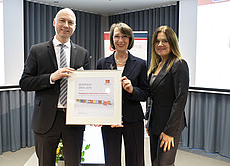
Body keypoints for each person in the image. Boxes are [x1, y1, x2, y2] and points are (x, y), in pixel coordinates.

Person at [19, 8, 89, 166]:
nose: (66, 25)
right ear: (54, 23)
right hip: (45, 119)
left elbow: (86, 86)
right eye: (62, 21)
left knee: (73, 163)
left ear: (75, 26)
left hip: (74, 119)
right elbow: (24, 82)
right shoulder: (37, 50)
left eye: (70, 22)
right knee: (45, 163)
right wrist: (51, 77)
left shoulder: (82, 53)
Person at [97, 22, 148, 166]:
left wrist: (132, 90)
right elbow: (99, 93)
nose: (120, 40)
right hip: (110, 120)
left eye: (125, 36)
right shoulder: (102, 63)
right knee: (111, 159)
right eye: (117, 36)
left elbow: (145, 93)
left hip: (133, 119)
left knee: (135, 159)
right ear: (112, 39)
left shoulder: (140, 64)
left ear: (130, 39)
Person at [145, 25, 189, 166]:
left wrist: (170, 131)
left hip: (170, 125)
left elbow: (180, 100)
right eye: (157, 41)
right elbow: (152, 96)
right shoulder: (155, 66)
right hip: (155, 123)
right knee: (155, 162)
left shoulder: (179, 64)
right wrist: (148, 118)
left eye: (164, 41)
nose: (160, 44)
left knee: (165, 164)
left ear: (172, 42)